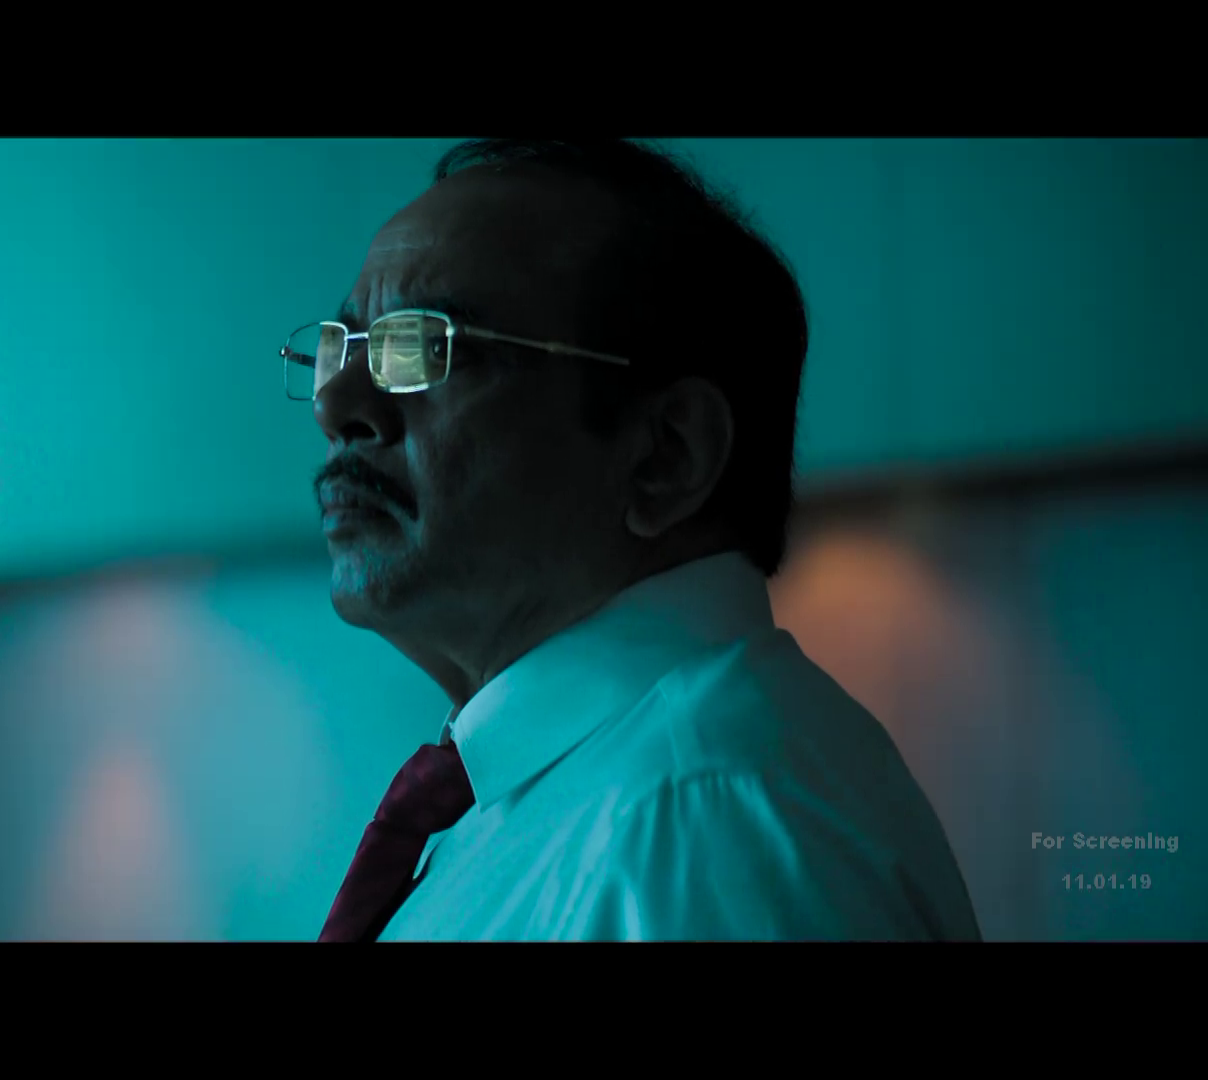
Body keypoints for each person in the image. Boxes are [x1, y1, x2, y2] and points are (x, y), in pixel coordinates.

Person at [291, 138, 981, 942]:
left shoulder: (700, 829)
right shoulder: (598, 803)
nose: (335, 404)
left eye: (427, 346)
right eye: (344, 348)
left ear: (666, 457)